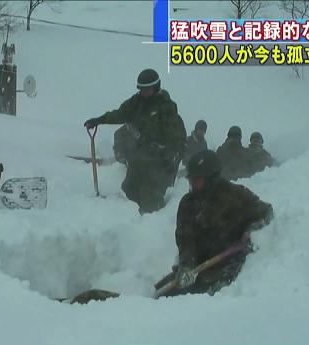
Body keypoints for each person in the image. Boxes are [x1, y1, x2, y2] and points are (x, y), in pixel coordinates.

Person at [160, 150, 273, 297]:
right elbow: (185, 239)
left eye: (197, 180)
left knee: (210, 295)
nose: (193, 184)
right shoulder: (187, 204)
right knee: (167, 293)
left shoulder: (236, 195)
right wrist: (187, 264)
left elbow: (266, 212)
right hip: (200, 265)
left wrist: (252, 230)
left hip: (230, 261)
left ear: (211, 178)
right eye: (191, 179)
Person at [84, 68, 186, 213]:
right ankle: (132, 220)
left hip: (159, 160)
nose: (144, 92)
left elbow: (175, 137)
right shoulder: (136, 102)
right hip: (140, 156)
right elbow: (120, 114)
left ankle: (153, 225)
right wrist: (99, 120)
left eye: (147, 89)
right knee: (129, 188)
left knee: (149, 195)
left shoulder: (166, 106)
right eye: (141, 89)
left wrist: (170, 156)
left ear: (155, 87)